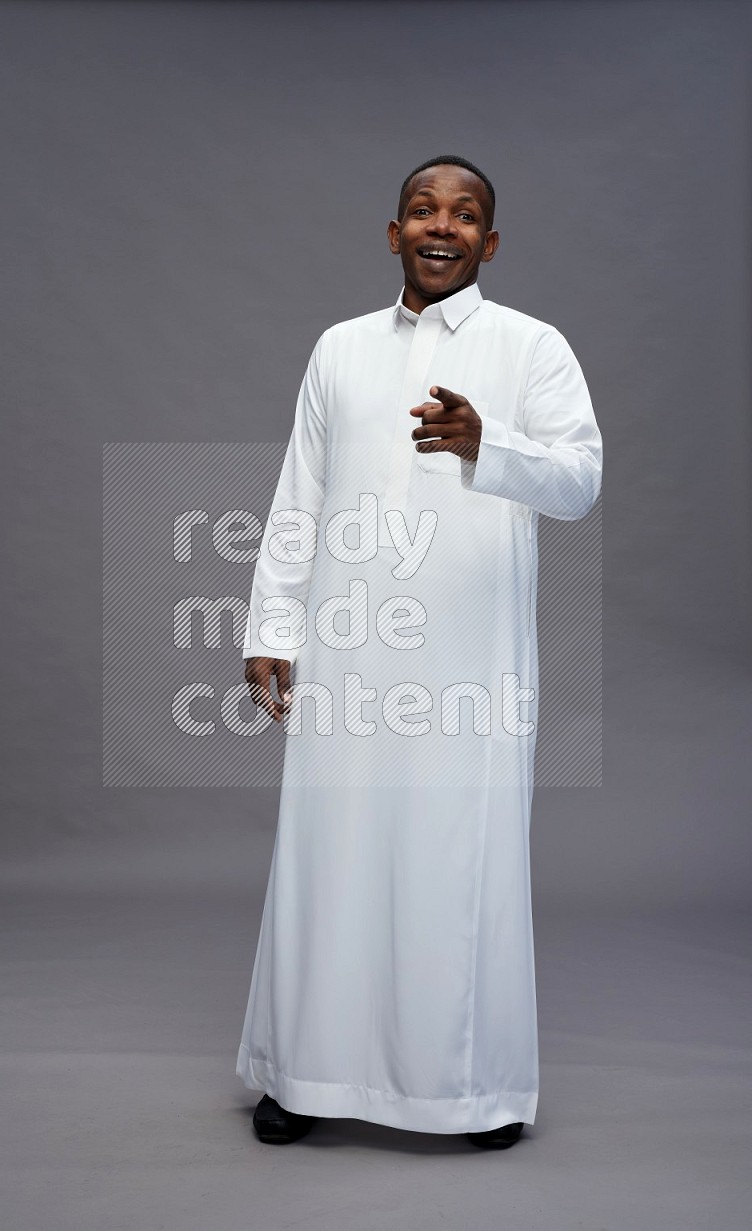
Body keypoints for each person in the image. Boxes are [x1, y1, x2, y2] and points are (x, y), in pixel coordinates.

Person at [236, 155, 603, 1148]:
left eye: (464, 214)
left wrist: (491, 446)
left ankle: (470, 1086)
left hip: (467, 665)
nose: (440, 225)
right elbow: (299, 494)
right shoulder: (339, 348)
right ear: (392, 231)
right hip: (348, 653)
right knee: (330, 856)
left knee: (456, 859)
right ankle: (301, 1074)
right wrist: (272, 627)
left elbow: (577, 481)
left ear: (487, 242)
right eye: (420, 209)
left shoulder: (531, 348)